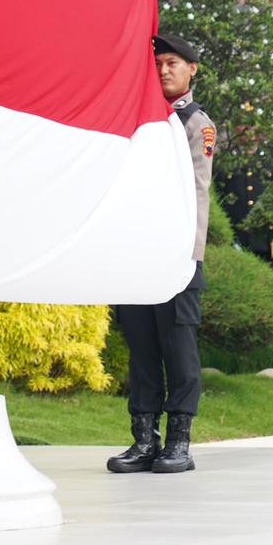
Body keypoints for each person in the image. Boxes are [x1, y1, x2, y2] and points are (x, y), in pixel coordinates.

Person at [107, 33, 215, 475]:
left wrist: (187, 253)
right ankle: (144, 440)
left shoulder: (195, 123)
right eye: (159, 62)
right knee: (142, 350)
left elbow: (196, 190)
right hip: (136, 255)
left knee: (178, 349)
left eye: (175, 62)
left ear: (192, 70)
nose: (165, 69)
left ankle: (179, 443)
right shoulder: (135, 117)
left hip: (175, 256)